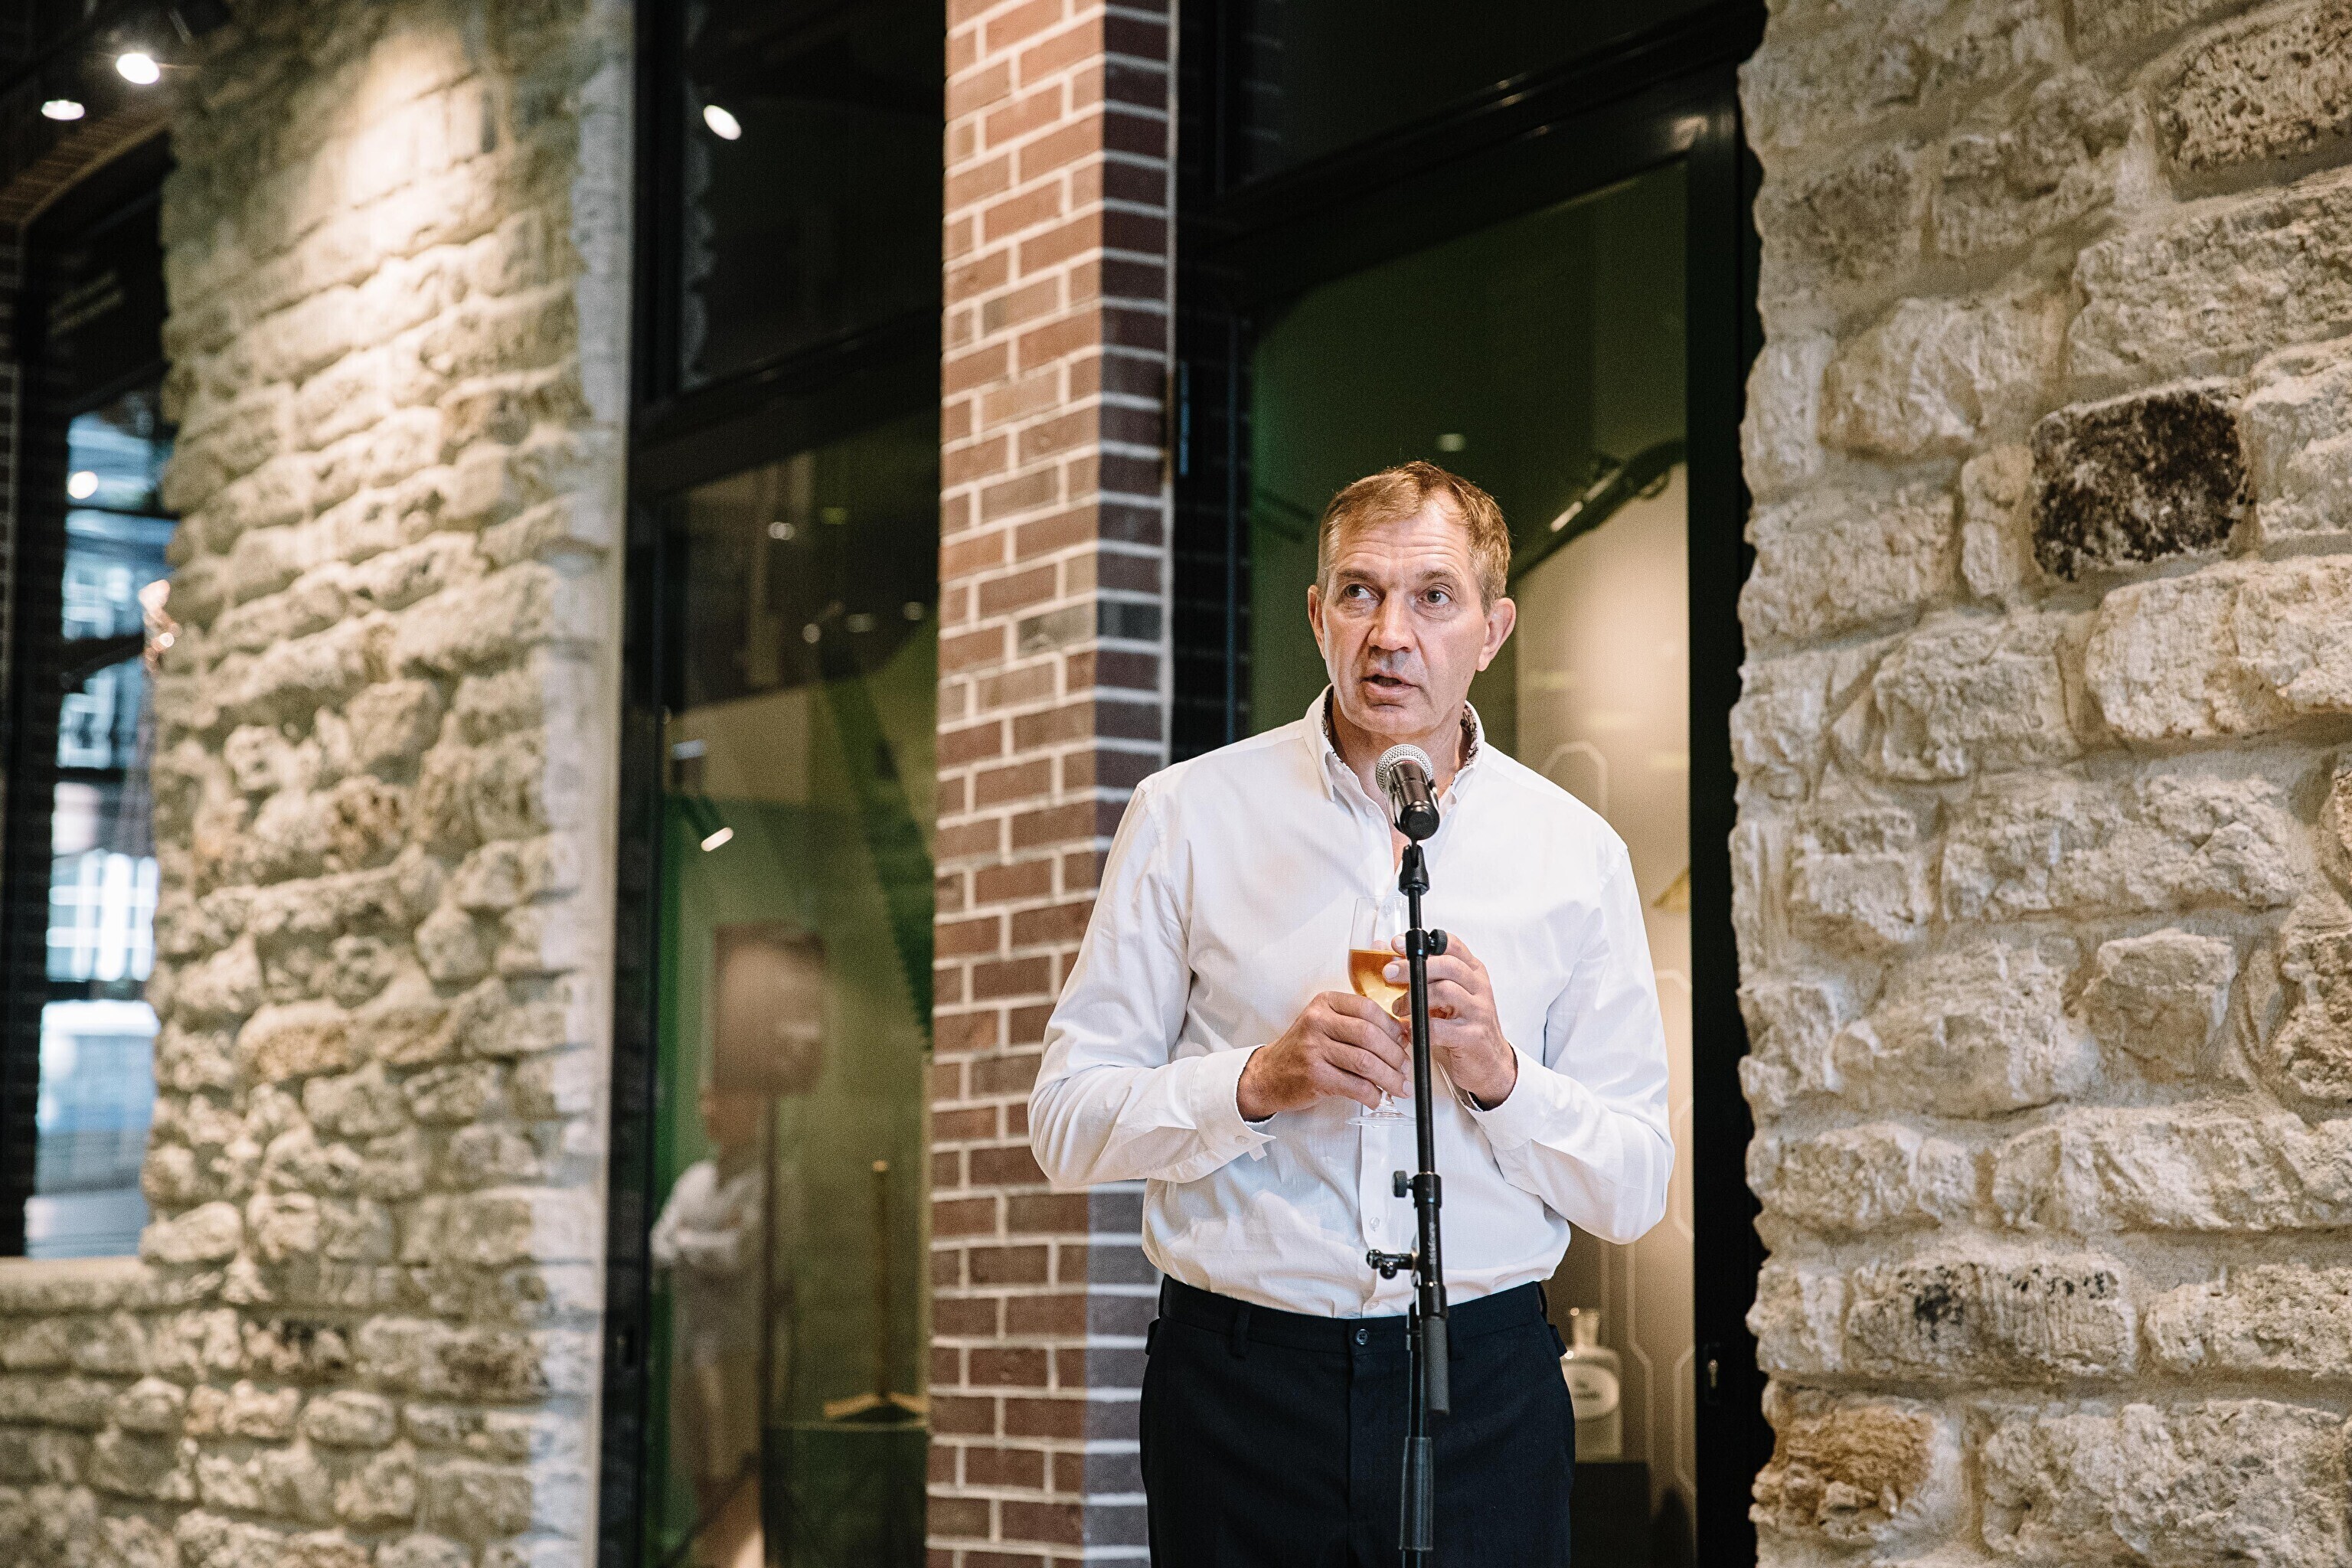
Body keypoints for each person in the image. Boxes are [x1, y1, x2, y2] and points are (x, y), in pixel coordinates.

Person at [1030, 461, 1673, 1565]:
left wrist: (1503, 1077)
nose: (1391, 634)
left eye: (1434, 596)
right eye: (1360, 593)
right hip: (1241, 1395)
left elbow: (1635, 1184)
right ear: (1317, 615)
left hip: (1487, 1390)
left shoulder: (1575, 853)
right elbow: (1065, 1123)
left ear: (1493, 630)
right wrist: (1254, 1083)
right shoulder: (1187, 815)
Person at [651, 1086, 771, 1568]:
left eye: (720, 1097)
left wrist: (686, 1239)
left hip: (737, 1352)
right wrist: (708, 1240)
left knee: (736, 1481)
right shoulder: (692, 1181)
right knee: (701, 1478)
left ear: (750, 1105)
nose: (708, 1108)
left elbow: (739, 1254)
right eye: (703, 1097)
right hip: (689, 1350)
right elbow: (656, 1247)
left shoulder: (769, 1179)